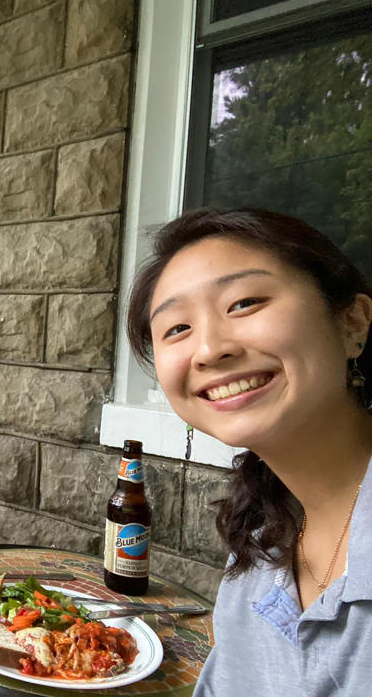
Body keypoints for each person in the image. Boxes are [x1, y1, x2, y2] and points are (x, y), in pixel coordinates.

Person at [125, 207, 372, 695]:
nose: (209, 349)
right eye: (177, 329)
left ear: (352, 323)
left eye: (244, 303)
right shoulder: (259, 562)